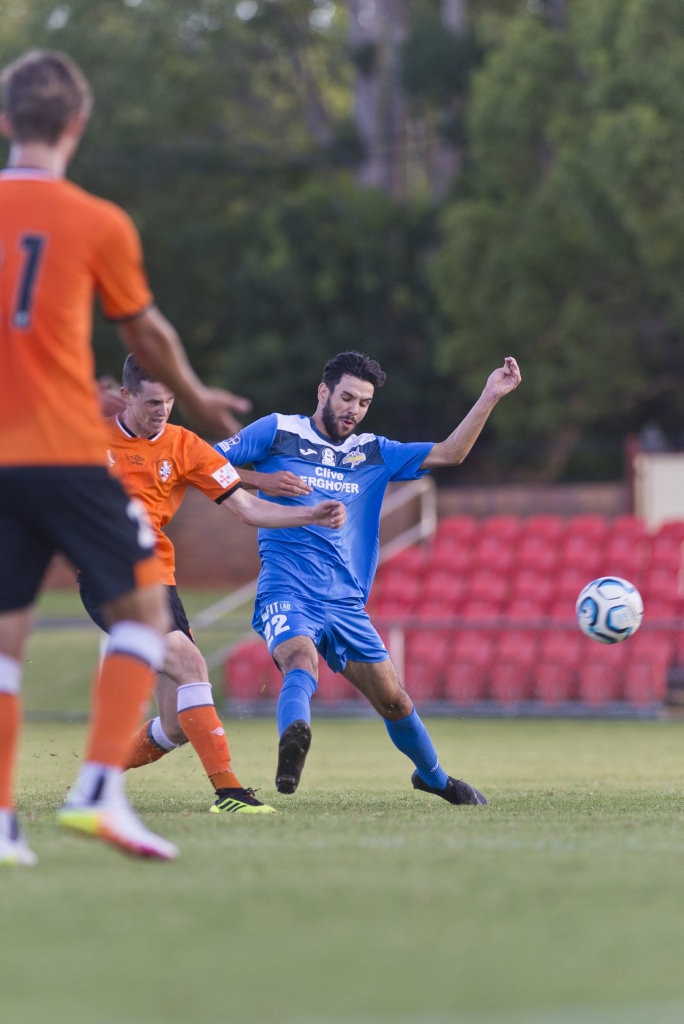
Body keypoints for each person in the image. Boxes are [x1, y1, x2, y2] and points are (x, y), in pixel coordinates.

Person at [0, 49, 251, 865]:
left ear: (5, 121)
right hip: (68, 452)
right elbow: (146, 332)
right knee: (149, 612)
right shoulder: (97, 220)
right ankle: (98, 793)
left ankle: (4, 826)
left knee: (7, 645)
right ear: (77, 125)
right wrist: (202, 396)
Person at [215, 350, 522, 804]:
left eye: (362, 403)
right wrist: (261, 482)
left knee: (394, 700)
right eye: (345, 398)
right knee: (300, 660)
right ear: (323, 392)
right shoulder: (277, 431)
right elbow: (200, 463)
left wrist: (490, 396)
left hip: (346, 604)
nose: (353, 410)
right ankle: (293, 744)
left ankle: (434, 778)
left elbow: (451, 453)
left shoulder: (374, 452)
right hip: (287, 589)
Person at [79, 355, 345, 814]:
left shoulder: (185, 446)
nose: (162, 410)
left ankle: (94, 780)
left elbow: (248, 509)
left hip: (159, 582)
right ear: (126, 396)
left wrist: (310, 514)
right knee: (191, 664)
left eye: (168, 401)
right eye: (151, 402)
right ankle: (229, 793)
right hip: (108, 576)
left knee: (176, 724)